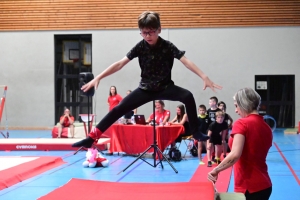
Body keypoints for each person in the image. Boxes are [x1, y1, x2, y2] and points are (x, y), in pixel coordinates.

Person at [72, 11, 222, 149]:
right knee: (118, 109)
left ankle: (195, 132)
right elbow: (119, 64)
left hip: (165, 87)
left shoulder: (168, 46)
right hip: (145, 89)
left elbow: (186, 61)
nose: (148, 36)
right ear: (141, 32)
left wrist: (204, 76)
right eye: (144, 33)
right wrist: (98, 77)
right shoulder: (140, 47)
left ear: (159, 30)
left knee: (187, 96)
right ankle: (92, 138)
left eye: (151, 32)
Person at [208, 88, 272, 200]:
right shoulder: (267, 127)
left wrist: (216, 170)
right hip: (265, 185)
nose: (236, 110)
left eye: (236, 106)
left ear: (244, 104)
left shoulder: (242, 123)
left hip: (249, 187)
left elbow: (235, 154)